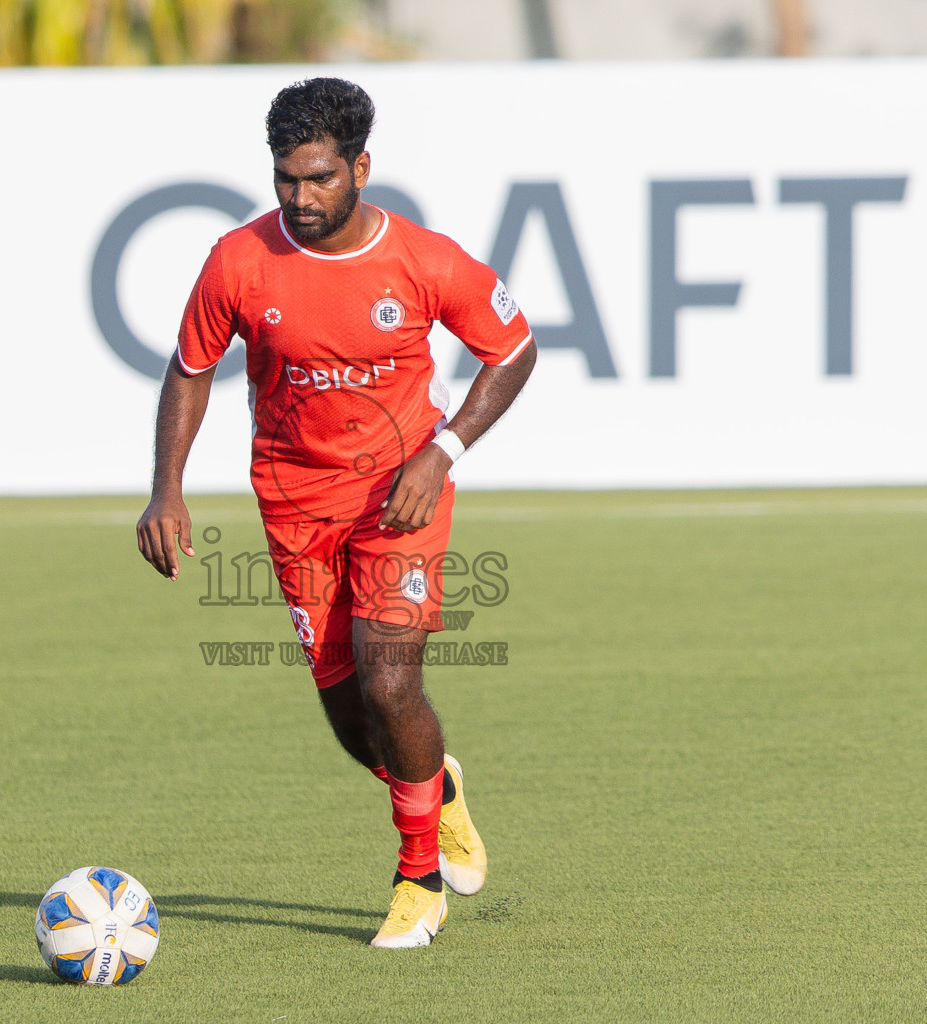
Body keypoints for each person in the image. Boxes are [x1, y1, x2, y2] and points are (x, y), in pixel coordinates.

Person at [136, 77, 536, 948]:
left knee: (392, 683)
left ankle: (417, 880)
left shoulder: (425, 261)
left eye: (319, 177)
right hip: (294, 505)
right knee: (358, 724)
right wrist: (167, 486)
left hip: (400, 497)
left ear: (360, 167)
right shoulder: (238, 261)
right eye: (286, 179)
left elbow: (513, 348)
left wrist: (444, 450)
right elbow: (191, 368)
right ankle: (438, 788)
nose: (301, 198)